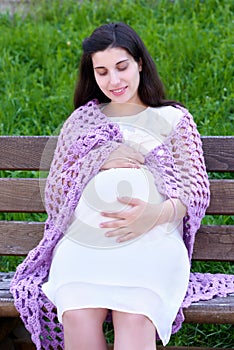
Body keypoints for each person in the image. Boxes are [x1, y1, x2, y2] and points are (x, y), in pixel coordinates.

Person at [10, 22, 234, 350]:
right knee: (76, 314)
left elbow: (195, 189)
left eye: (121, 67)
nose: (113, 81)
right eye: (102, 72)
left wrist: (154, 215)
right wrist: (97, 160)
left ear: (139, 63)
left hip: (151, 243)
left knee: (134, 316)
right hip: (85, 247)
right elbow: (56, 192)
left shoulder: (174, 119)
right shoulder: (82, 121)